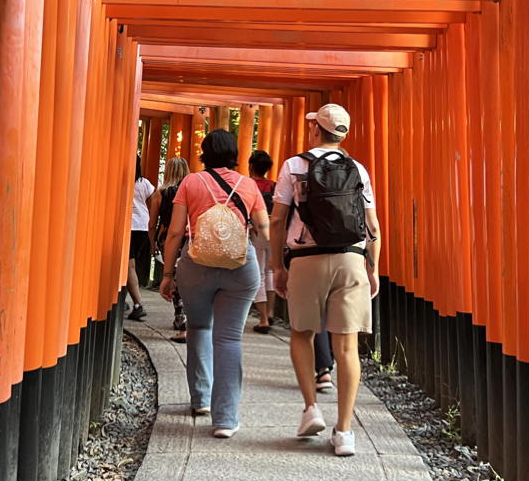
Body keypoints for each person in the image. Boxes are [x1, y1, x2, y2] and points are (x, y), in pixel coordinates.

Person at [271, 104, 381, 457]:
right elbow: (373, 228)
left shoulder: (294, 165)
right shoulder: (357, 169)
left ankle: (310, 408)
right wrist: (373, 267)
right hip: (351, 259)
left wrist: (277, 265)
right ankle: (345, 431)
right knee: (346, 347)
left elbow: (277, 220)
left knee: (302, 333)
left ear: (316, 130)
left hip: (305, 259)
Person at [160, 129, 269, 438]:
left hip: (196, 265)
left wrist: (168, 274)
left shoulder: (191, 182)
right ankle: (225, 419)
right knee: (230, 339)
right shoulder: (247, 185)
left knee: (199, 327)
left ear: (204, 152)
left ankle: (201, 400)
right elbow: (262, 229)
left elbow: (175, 232)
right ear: (235, 153)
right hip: (239, 266)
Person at [149, 157, 190, 342]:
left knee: (172, 274)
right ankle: (184, 314)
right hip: (187, 236)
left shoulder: (160, 193)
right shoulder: (190, 191)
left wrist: (152, 243)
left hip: (166, 237)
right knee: (185, 276)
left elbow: (152, 223)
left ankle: (180, 315)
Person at [247, 150, 278, 334]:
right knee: (271, 271)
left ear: (251, 165)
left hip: (256, 231)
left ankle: (264, 319)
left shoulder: (248, 185)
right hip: (273, 230)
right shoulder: (273, 185)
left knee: (258, 273)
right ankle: (272, 311)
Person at [126, 155, 155, 321]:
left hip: (129, 226)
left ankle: (138, 304)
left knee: (128, 266)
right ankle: (130, 302)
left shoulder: (122, 181)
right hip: (142, 226)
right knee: (131, 265)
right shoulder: (144, 183)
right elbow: (152, 201)